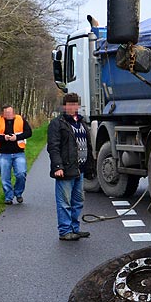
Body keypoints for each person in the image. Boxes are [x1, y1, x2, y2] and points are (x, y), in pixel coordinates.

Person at [47, 92, 95, 241]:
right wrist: (57, 166)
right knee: (64, 202)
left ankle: (75, 228)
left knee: (78, 201)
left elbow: (87, 145)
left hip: (79, 170)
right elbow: (53, 147)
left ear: (78, 106)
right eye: (69, 104)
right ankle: (65, 231)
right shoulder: (57, 123)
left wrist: (89, 167)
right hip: (65, 170)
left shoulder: (81, 123)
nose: (73, 107)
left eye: (75, 104)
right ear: (64, 106)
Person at [0, 105, 33, 204]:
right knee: (5, 177)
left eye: (10, 112)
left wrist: (16, 137)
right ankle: (8, 197)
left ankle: (18, 193)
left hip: (19, 153)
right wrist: (4, 138)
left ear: (14, 112)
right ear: (2, 113)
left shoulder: (21, 120)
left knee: (21, 174)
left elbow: (29, 132)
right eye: (6, 113)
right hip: (3, 153)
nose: (8, 114)